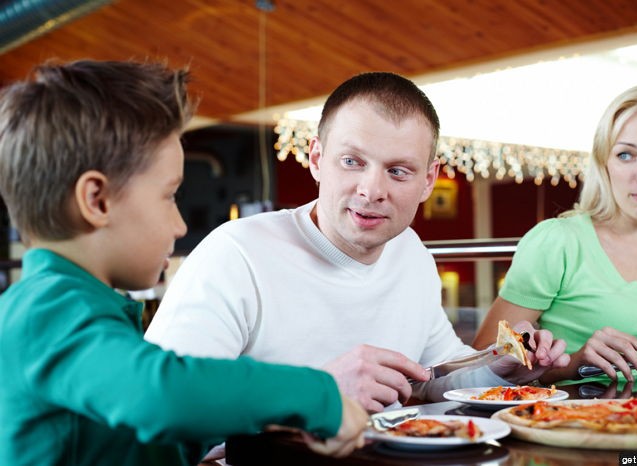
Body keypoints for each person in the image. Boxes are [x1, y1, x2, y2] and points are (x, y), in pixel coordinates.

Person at [0, 59, 367, 466]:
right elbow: (158, 394)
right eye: (169, 195)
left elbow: (134, 446)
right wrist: (314, 394)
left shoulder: (76, 307)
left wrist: (263, 418)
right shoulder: (44, 310)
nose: (178, 226)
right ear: (97, 201)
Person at [145, 71, 570, 413]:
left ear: (428, 181)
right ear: (315, 159)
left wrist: (501, 367)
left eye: (398, 171)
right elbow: (162, 405)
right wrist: (319, 392)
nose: (372, 190)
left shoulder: (411, 253)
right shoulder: (236, 252)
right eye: (352, 162)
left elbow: (434, 381)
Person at [472, 84, 637, 383]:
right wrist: (575, 362)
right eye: (626, 155)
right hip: (576, 423)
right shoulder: (558, 242)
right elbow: (480, 367)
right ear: (605, 163)